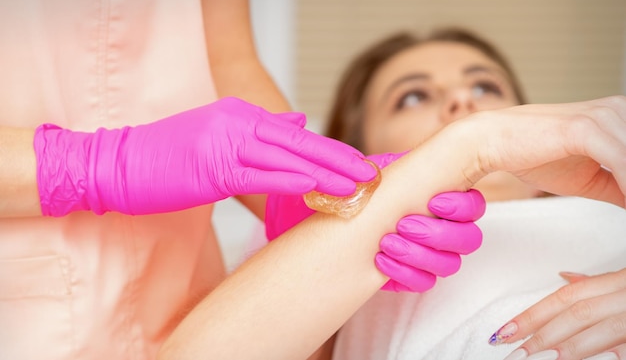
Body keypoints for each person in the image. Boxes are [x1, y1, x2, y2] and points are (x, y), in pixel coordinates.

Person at [0, 0, 484, 360]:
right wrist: (88, 165)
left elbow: (227, 57)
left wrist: (304, 195)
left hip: (180, 285)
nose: (462, 104)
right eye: (412, 96)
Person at [155, 29, 626, 359]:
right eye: (413, 96)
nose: (463, 102)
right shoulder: (329, 253)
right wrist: (470, 144)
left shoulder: (609, 204)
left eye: (485, 85)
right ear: (354, 151)